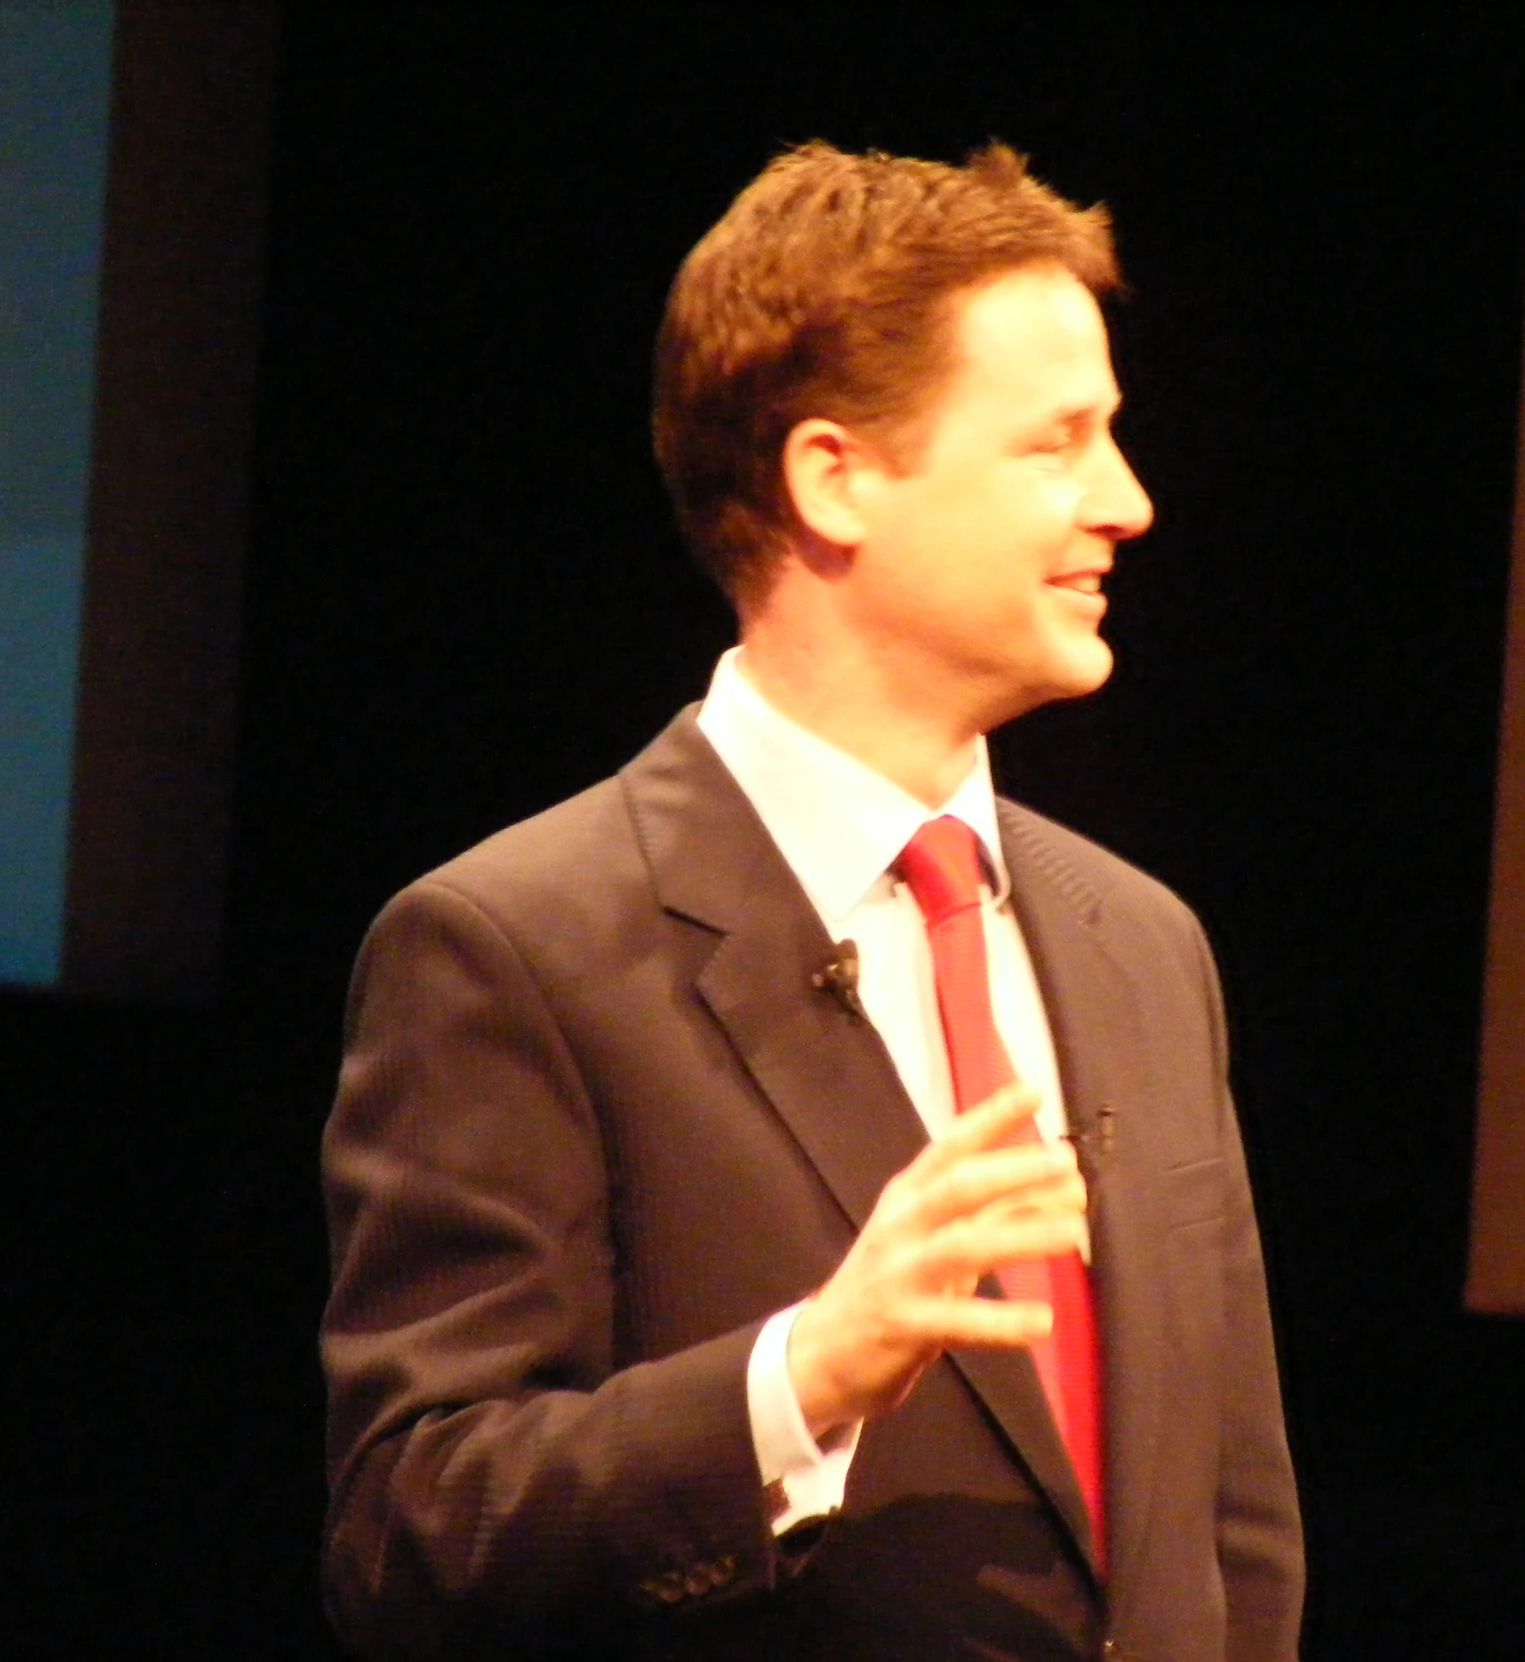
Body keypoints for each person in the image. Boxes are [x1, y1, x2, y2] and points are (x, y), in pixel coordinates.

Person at [319, 140, 1303, 1661]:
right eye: (1055, 445)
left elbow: (1235, 1535)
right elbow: (415, 1527)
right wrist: (802, 1375)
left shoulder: (1143, 945)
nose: (1129, 501)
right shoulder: (513, 949)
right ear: (832, 479)